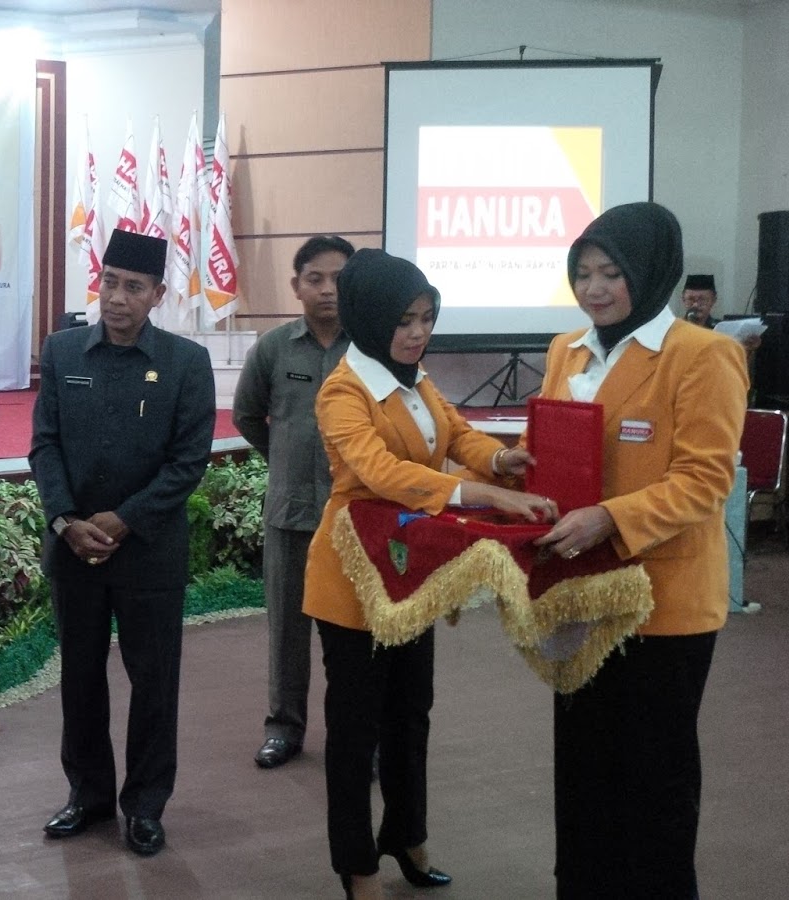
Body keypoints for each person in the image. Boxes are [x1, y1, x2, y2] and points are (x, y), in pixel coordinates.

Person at [302, 248, 555, 900]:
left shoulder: (416, 378)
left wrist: (500, 462)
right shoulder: (343, 391)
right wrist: (480, 493)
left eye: (426, 318)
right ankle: (357, 865)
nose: (418, 333)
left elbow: (459, 435)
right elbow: (382, 473)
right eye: (403, 320)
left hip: (408, 575)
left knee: (411, 715)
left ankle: (407, 837)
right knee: (355, 732)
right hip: (352, 578)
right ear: (369, 318)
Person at [530, 202, 747, 899]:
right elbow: (551, 451)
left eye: (611, 273)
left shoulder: (703, 354)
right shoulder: (566, 350)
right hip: (577, 591)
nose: (593, 289)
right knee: (583, 772)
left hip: (663, 603)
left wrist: (609, 518)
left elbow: (705, 480)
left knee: (655, 780)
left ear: (649, 272)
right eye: (582, 273)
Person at [30, 228, 216, 858]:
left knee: (154, 683)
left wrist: (124, 520)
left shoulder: (186, 363)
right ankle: (87, 796)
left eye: (134, 287)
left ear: (158, 294)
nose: (116, 297)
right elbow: (44, 445)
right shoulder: (62, 351)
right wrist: (65, 520)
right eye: (109, 282)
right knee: (80, 680)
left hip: (149, 554)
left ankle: (144, 806)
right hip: (74, 549)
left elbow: (188, 462)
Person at [232, 234, 354, 770]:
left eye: (339, 280)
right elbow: (246, 415)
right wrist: (282, 457)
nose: (327, 290)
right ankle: (283, 729)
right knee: (286, 632)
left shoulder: (372, 348)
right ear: (296, 286)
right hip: (291, 515)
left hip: (354, 518)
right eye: (315, 279)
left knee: (354, 634)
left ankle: (357, 735)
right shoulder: (274, 348)